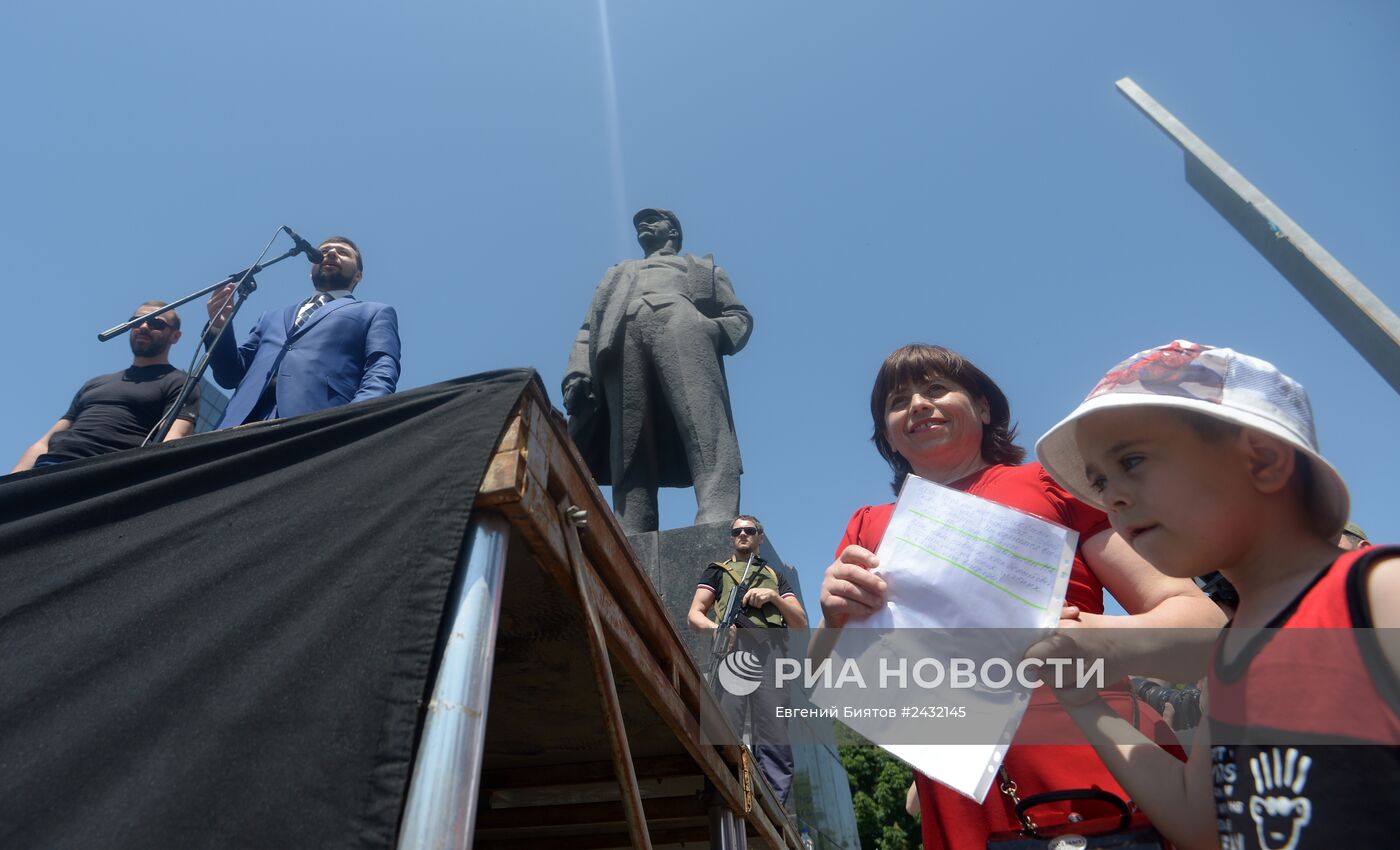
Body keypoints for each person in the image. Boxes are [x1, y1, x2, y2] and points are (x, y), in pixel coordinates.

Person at [818, 343, 1225, 849]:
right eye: (899, 400)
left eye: (937, 388)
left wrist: (1094, 639)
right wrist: (832, 620)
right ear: (888, 437)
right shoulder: (866, 526)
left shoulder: (1053, 483)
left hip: (1101, 767)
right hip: (957, 794)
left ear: (984, 409)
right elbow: (831, 680)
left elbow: (1200, 622)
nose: (918, 403)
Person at [1034, 339, 1400, 849]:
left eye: (1133, 460)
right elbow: (1199, 820)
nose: (1111, 497)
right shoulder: (1232, 652)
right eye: (1100, 481)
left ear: (1263, 461)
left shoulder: (1377, 592)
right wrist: (1081, 701)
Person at [563, 208, 752, 534]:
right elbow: (588, 329)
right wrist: (577, 373)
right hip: (622, 341)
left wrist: (709, 329)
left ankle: (715, 518)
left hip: (683, 326)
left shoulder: (702, 268)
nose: (644, 225)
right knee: (628, 443)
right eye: (639, 223)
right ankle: (632, 533)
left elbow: (739, 317)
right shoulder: (618, 273)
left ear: (673, 232)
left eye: (652, 220)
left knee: (705, 425)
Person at [205, 235, 400, 428]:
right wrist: (219, 328)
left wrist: (353, 420)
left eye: (342, 253)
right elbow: (230, 375)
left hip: (316, 426)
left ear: (358, 275)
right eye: (323, 251)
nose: (331, 253)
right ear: (311, 269)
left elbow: (380, 369)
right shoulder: (270, 317)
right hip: (237, 425)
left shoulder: (374, 312)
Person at [688, 515, 807, 804]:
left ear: (760, 537)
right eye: (737, 531)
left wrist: (773, 598)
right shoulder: (717, 571)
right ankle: (722, 792)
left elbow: (800, 621)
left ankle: (774, 805)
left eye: (749, 530)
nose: (742, 534)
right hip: (732, 652)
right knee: (726, 725)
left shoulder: (776, 576)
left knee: (774, 732)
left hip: (771, 655)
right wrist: (717, 629)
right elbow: (694, 615)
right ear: (732, 537)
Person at [12, 301, 199, 471]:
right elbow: (45, 441)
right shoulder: (95, 383)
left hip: (105, 474)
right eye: (137, 321)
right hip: (48, 467)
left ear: (175, 336)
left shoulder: (179, 382)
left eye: (155, 323)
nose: (143, 326)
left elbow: (173, 439)